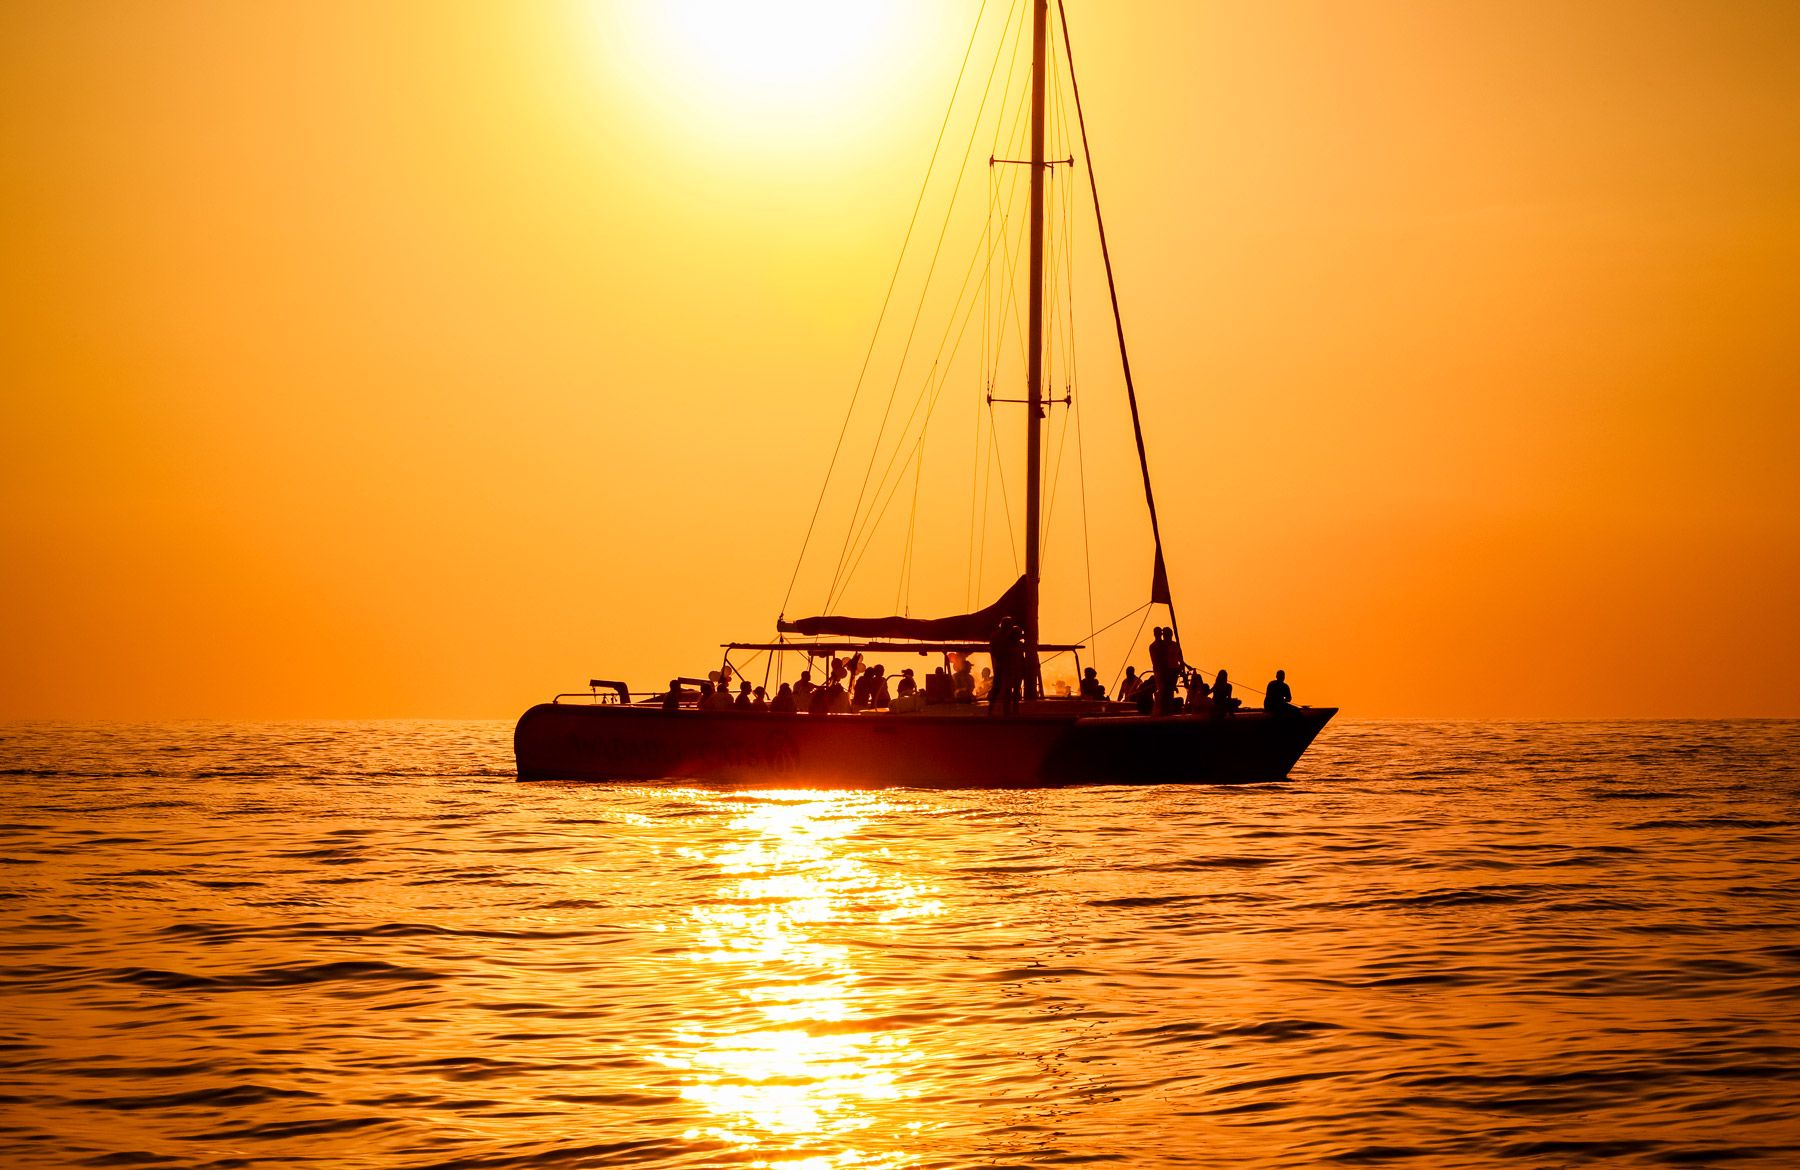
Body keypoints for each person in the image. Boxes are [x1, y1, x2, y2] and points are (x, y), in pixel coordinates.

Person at [1148, 628, 1178, 714]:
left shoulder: (1169, 645)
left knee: (1169, 689)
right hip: (1161, 671)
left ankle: (1168, 707)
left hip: (1170, 670)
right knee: (1163, 690)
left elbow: (1175, 657)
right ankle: (1162, 708)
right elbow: (1157, 660)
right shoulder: (1154, 646)